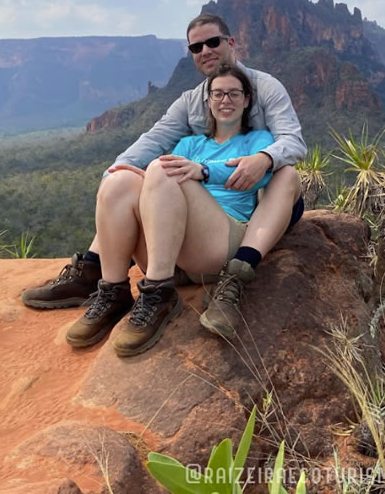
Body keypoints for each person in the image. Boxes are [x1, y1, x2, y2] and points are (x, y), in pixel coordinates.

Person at [21, 13, 306, 342]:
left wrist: (263, 158)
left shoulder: (265, 90)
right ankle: (104, 282)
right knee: (125, 177)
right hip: (191, 222)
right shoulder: (190, 107)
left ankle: (232, 274)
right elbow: (152, 141)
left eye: (213, 42)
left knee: (286, 172)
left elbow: (293, 142)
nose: (205, 51)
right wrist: (113, 177)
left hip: (248, 210)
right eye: (196, 47)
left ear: (231, 43)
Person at [66, 63, 274, 354]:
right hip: (170, 249)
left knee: (162, 169)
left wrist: (202, 171)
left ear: (247, 100)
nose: (225, 100)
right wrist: (131, 177)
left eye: (234, 94)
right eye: (218, 94)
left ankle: (158, 295)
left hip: (217, 243)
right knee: (119, 181)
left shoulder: (259, 140)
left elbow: (264, 174)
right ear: (208, 101)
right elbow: (160, 185)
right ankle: (113, 291)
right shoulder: (189, 143)